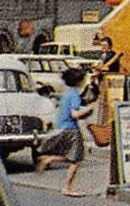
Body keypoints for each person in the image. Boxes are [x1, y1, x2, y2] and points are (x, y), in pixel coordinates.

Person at [35, 67, 93, 197]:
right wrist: (88, 110)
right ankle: (67, 187)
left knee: (72, 155)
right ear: (79, 81)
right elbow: (74, 114)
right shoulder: (75, 95)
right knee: (76, 159)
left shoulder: (68, 93)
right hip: (71, 128)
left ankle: (48, 159)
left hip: (63, 126)